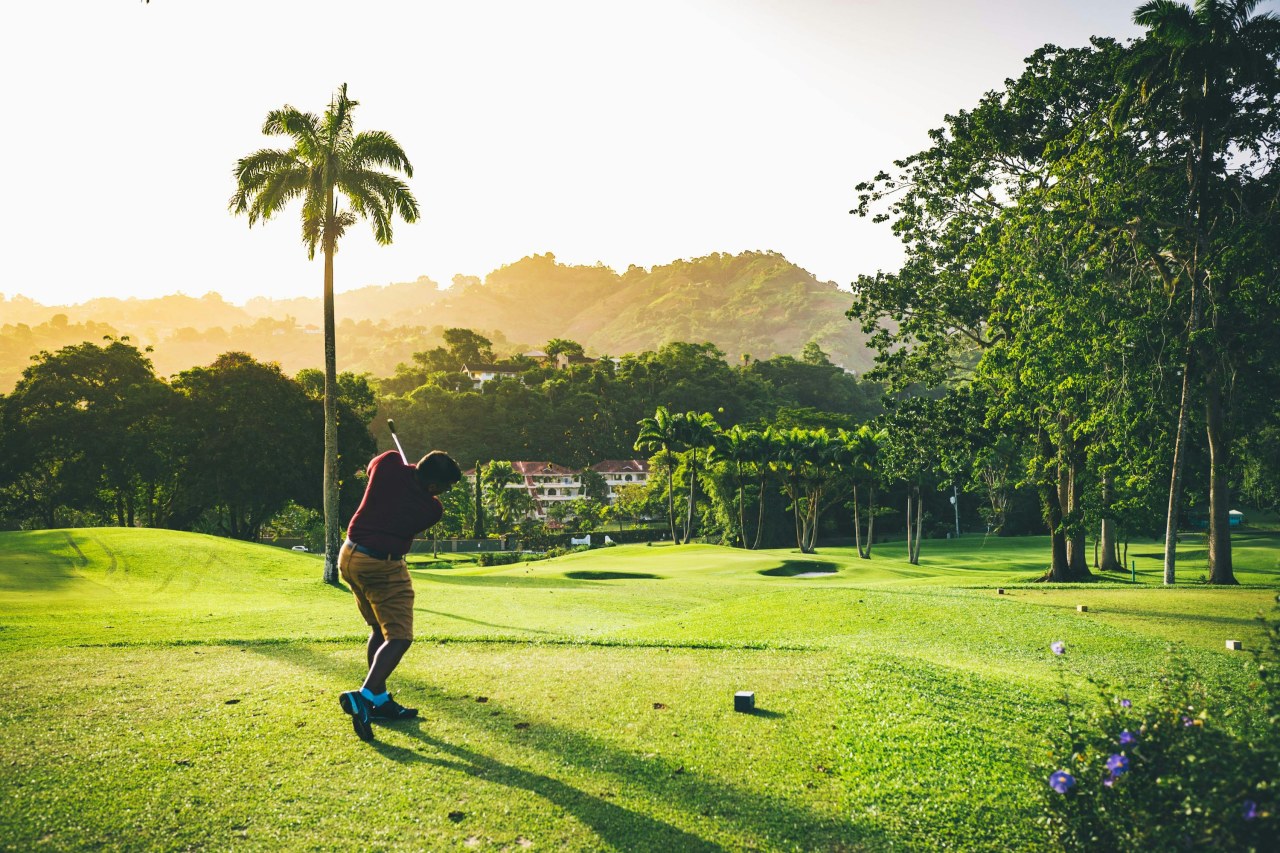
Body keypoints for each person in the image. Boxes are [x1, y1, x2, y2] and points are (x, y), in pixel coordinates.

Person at [337, 448, 462, 741]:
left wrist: (405, 473)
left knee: (378, 631)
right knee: (399, 637)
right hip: (382, 566)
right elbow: (414, 498)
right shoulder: (431, 509)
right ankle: (364, 697)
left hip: (350, 557)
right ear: (433, 486)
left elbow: (376, 468)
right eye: (445, 487)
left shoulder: (389, 463)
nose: (444, 493)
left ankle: (379, 701)